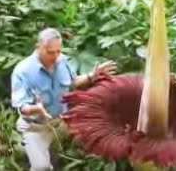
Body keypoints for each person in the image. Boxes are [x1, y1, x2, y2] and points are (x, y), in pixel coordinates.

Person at [11, 28, 117, 171]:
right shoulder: (23, 71)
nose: (55, 56)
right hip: (36, 128)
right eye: (50, 52)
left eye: (58, 51)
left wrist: (92, 76)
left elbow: (73, 82)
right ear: (38, 47)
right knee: (41, 167)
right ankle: (26, 151)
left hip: (60, 123)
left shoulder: (62, 61)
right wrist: (35, 108)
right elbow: (21, 106)